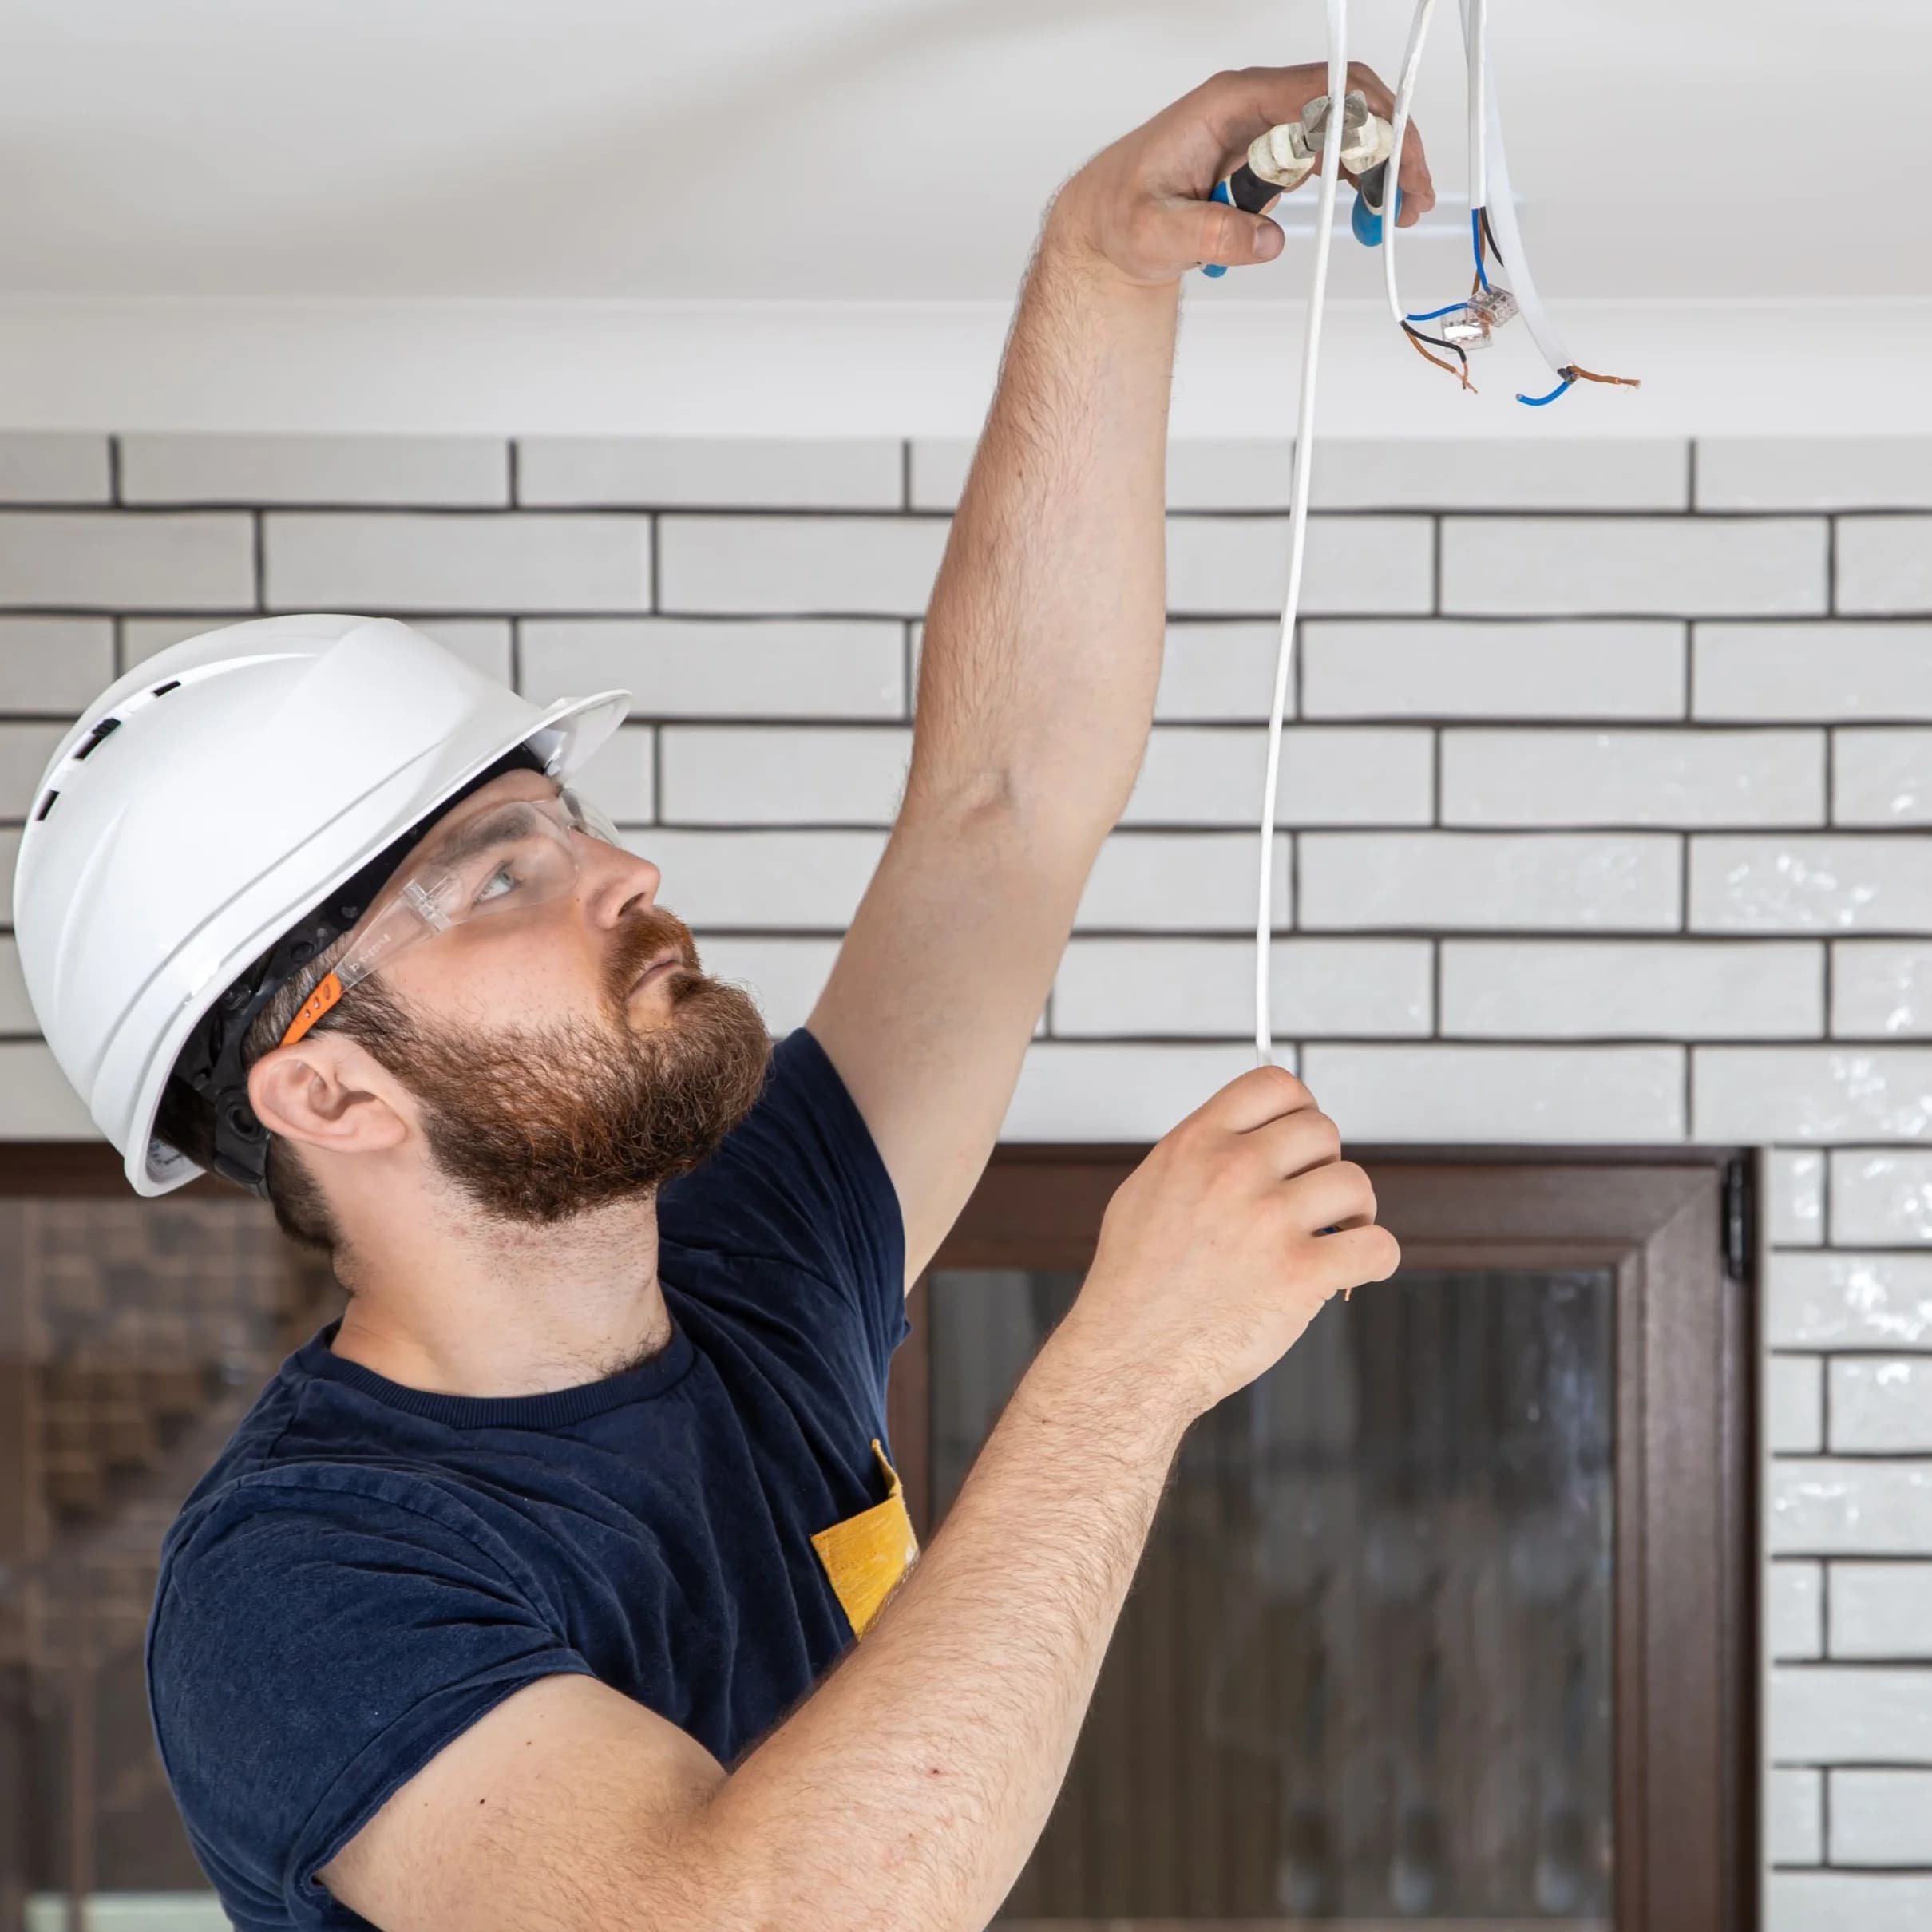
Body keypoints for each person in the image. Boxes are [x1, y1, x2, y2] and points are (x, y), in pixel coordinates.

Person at [13, 61, 1431, 1932]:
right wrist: (1129, 1364)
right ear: (331, 1090)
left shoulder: (751, 1263)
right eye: (502, 872)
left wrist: (1099, 270)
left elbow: (999, 813)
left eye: (569, 826)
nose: (627, 877)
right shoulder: (309, 1580)